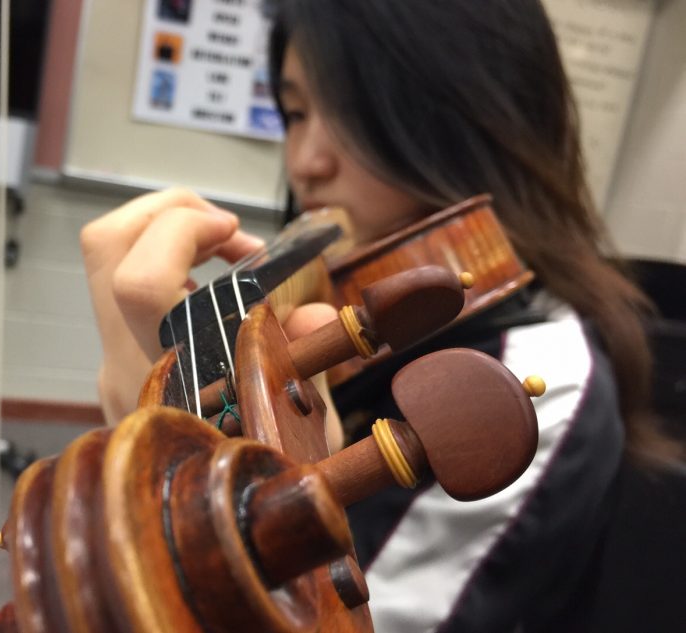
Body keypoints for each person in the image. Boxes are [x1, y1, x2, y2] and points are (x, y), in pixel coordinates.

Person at [79, 1, 680, 631]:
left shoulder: (528, 383)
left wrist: (165, 487)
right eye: (296, 113)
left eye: (353, 110)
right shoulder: (354, 308)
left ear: (474, 118)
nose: (306, 162)